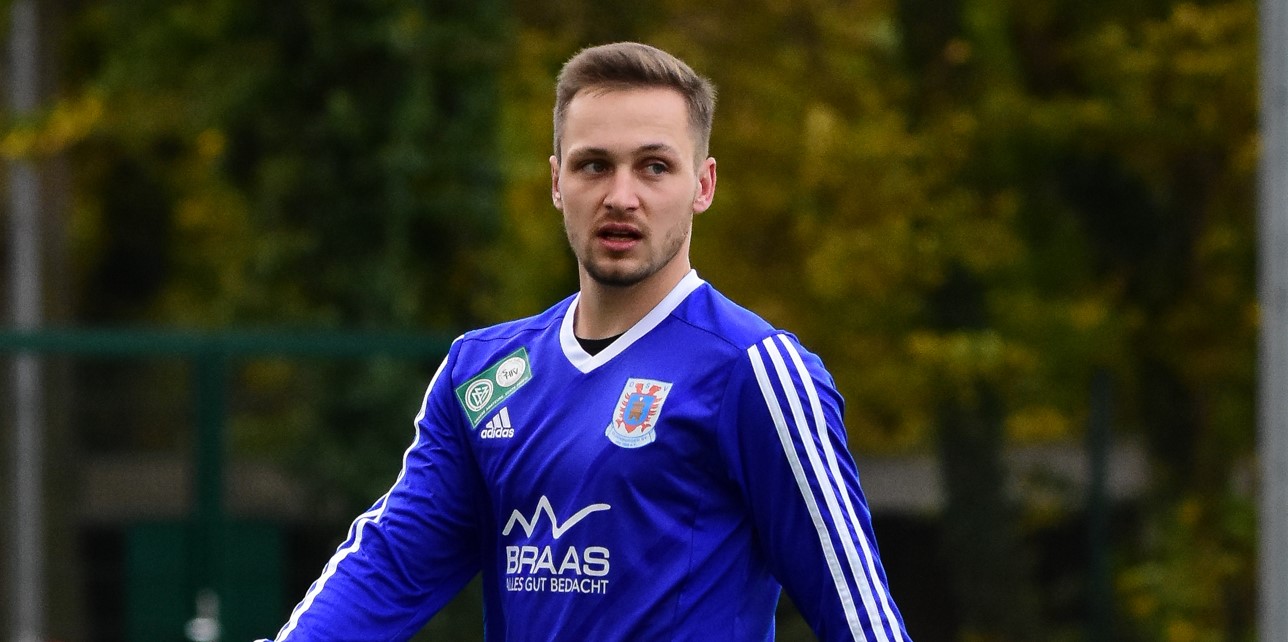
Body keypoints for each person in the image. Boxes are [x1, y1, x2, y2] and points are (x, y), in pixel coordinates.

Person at [261, 41, 910, 642]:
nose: (620, 197)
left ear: (703, 185)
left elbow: (861, 620)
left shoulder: (755, 370)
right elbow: (392, 564)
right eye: (594, 165)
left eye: (654, 167)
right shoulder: (483, 372)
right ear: (556, 181)